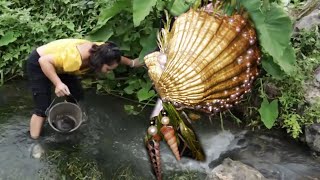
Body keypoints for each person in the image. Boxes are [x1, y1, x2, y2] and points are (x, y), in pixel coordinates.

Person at [26, 39, 141, 139]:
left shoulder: (104, 52)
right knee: (42, 107)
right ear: (101, 62)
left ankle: (66, 120)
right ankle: (35, 141)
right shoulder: (75, 58)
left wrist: (132, 63)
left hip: (60, 65)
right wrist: (58, 83)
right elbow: (44, 61)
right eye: (108, 69)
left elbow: (118, 59)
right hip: (39, 63)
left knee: (76, 95)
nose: (109, 72)